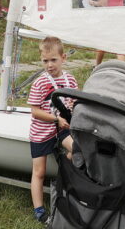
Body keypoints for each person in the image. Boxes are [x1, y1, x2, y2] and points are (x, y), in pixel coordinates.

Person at [27, 36, 77, 223]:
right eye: (45, 61)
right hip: (41, 131)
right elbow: (35, 111)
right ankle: (39, 210)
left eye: (53, 60)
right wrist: (55, 118)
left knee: (77, 148)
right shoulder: (40, 83)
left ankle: (64, 169)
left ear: (63, 58)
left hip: (62, 129)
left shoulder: (70, 80)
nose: (49, 65)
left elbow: (73, 103)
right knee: (39, 172)